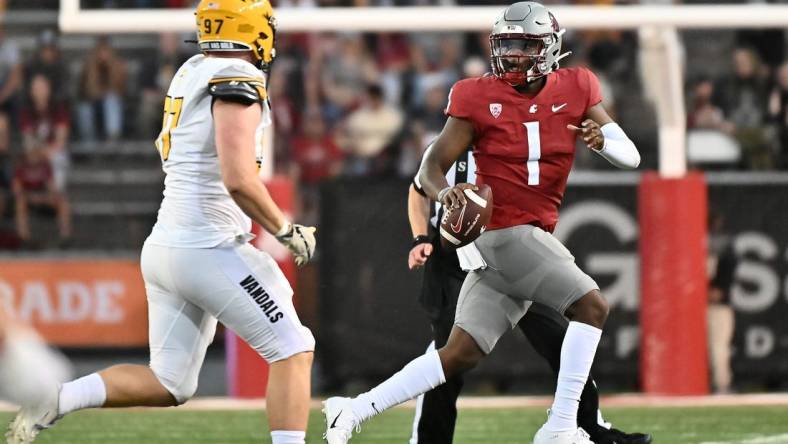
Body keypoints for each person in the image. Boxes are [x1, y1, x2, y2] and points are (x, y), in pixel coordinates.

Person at [324, 3, 641, 443]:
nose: (512, 55)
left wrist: (603, 139)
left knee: (457, 355)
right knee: (592, 307)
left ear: (549, 48)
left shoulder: (579, 84)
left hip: (514, 244)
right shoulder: (474, 95)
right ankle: (562, 426)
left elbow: (630, 155)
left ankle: (353, 409)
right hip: (504, 233)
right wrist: (444, 194)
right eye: (506, 45)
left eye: (524, 45)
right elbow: (429, 168)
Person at [6, 2, 317, 444]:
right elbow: (239, 179)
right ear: (251, 28)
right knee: (293, 349)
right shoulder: (238, 77)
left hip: (167, 245)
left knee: (171, 383)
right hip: (206, 246)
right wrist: (286, 228)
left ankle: (58, 398)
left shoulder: (192, 68)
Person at [405, 144, 651, 444]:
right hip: (454, 259)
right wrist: (420, 238)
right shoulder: (445, 148)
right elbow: (418, 190)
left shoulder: (513, 142)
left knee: (563, 341)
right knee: (449, 358)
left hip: (509, 253)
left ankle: (589, 428)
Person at [706, 212, 737, 394]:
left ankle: (720, 383)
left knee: (717, 346)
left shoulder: (706, 247)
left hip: (709, 306)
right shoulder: (721, 250)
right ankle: (721, 384)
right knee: (719, 346)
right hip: (714, 307)